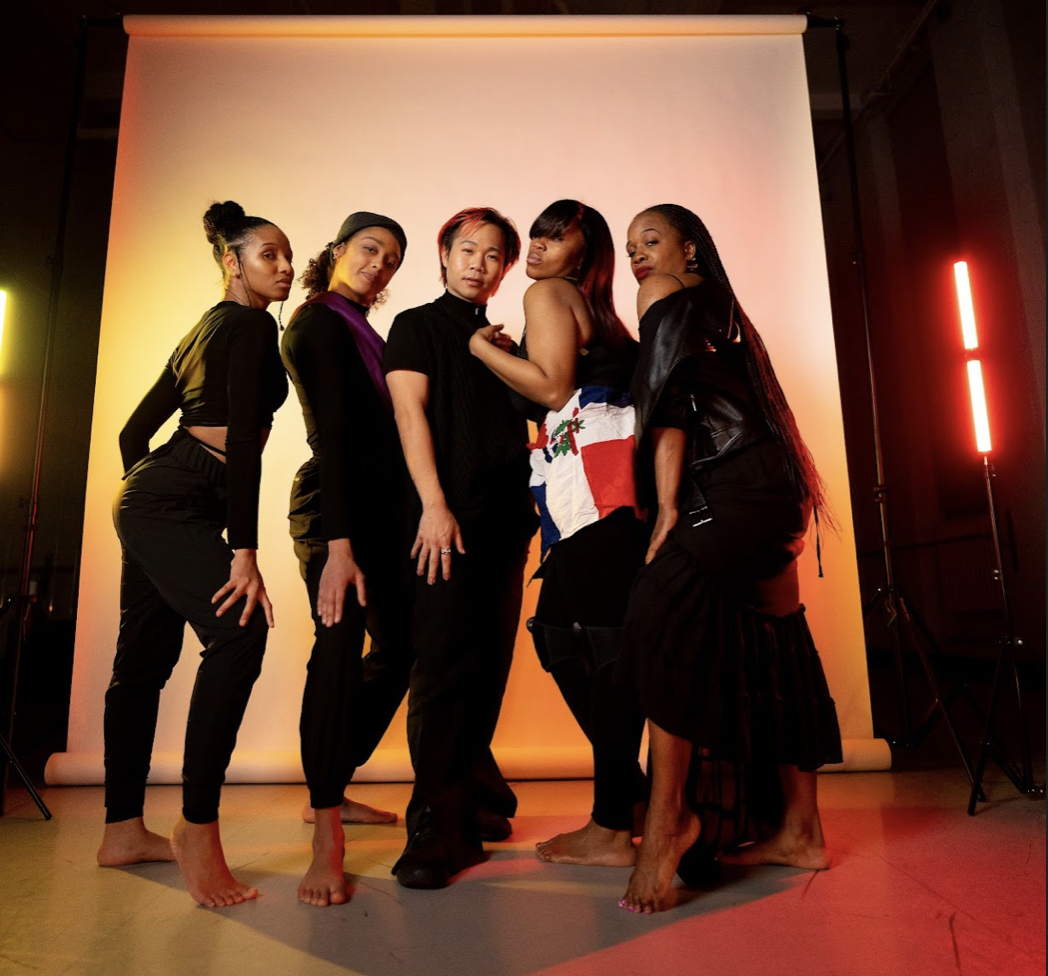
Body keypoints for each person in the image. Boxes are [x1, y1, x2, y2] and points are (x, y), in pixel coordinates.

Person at [616, 204, 843, 914]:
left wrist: (667, 506)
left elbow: (669, 405)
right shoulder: (728, 312)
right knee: (779, 643)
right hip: (780, 490)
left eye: (651, 239)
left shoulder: (665, 294)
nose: (638, 256)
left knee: (659, 618)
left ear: (689, 247)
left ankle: (667, 824)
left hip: (733, 486)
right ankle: (802, 831)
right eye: (630, 247)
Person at [97, 200, 293, 908]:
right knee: (240, 630)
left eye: (288, 255)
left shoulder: (201, 330)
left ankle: (122, 831)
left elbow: (133, 434)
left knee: (142, 665)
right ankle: (197, 828)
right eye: (268, 254)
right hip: (171, 501)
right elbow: (242, 442)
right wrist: (243, 548)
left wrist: (149, 508)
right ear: (231, 261)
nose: (285, 266)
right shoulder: (250, 325)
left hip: (156, 498)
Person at [469, 199, 648, 867]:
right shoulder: (594, 312)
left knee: (591, 645)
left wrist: (477, 347)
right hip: (608, 494)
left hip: (593, 497)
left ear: (585, 252)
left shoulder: (547, 293)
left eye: (556, 236)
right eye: (537, 235)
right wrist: (511, 355)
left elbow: (551, 392)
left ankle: (614, 823)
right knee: (573, 638)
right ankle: (633, 798)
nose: (539, 247)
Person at [384, 206, 536, 889]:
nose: (479, 263)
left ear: (505, 270)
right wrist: (434, 506)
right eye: (468, 249)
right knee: (442, 672)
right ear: (445, 255)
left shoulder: (499, 343)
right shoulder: (416, 325)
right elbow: (409, 412)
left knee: (486, 669)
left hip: (505, 522)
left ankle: (472, 798)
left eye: (494, 254)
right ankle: (433, 827)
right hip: (447, 521)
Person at [280, 212, 414, 907]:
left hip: (379, 514)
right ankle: (326, 834)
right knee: (337, 651)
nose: (379, 265)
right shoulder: (319, 324)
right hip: (336, 516)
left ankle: (325, 784)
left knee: (401, 648)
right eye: (369, 249)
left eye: (391, 259)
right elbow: (333, 435)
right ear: (336, 250)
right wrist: (339, 548)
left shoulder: (359, 327)